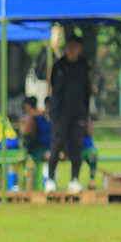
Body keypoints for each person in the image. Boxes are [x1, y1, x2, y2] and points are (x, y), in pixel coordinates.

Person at [47, 31, 92, 193]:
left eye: (74, 47)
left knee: (77, 145)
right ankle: (51, 179)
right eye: (69, 47)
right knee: (56, 144)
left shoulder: (83, 66)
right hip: (60, 113)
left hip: (78, 113)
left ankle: (74, 180)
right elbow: (53, 88)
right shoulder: (59, 66)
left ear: (79, 49)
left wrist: (86, 115)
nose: (71, 50)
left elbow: (87, 92)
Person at [21, 96, 52, 189]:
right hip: (38, 148)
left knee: (50, 157)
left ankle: (49, 183)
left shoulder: (49, 118)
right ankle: (47, 184)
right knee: (48, 157)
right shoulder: (34, 118)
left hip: (48, 147)